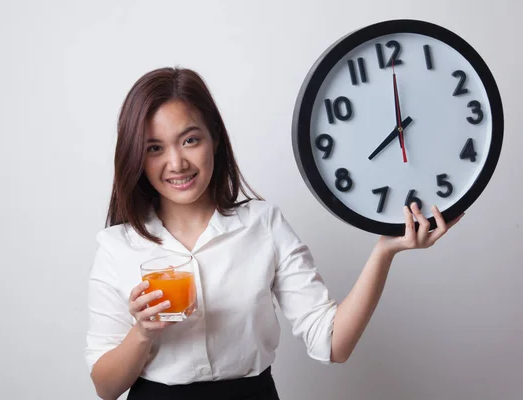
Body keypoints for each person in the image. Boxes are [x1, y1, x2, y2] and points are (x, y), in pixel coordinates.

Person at [85, 67, 463, 400]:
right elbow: (106, 387)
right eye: (155, 148)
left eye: (190, 140)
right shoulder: (118, 245)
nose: (176, 162)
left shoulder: (263, 224)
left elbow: (333, 343)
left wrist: (384, 252)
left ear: (214, 138)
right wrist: (143, 333)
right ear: (137, 155)